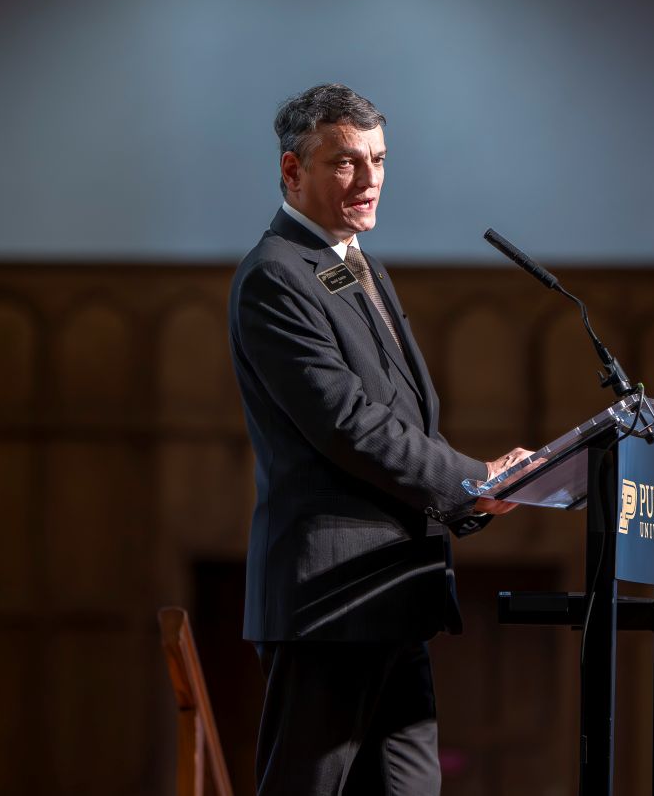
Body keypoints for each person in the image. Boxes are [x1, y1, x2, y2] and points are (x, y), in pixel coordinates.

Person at [228, 83, 531, 796]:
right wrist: (470, 477)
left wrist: (473, 498)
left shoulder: (352, 264)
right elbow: (349, 424)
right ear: (291, 170)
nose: (368, 180)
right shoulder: (275, 275)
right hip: (329, 602)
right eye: (344, 162)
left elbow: (401, 414)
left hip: (395, 591)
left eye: (379, 159)